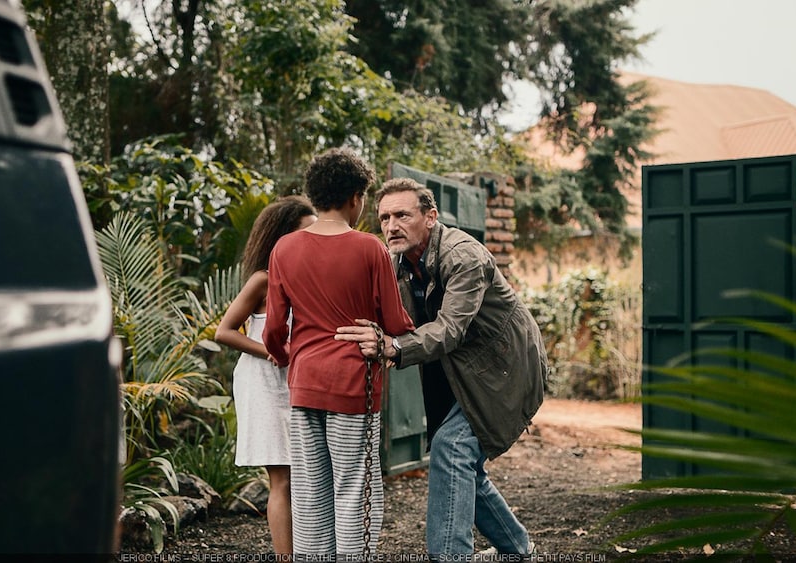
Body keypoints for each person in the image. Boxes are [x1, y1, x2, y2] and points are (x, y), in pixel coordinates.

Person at [334, 177, 548, 557]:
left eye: (402, 214)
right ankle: (518, 548)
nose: (391, 226)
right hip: (464, 372)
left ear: (430, 217)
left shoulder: (463, 256)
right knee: (462, 461)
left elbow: (450, 328)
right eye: (384, 218)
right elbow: (391, 315)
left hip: (506, 369)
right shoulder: (398, 262)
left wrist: (393, 346)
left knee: (453, 449)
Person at [263, 148, 415, 556]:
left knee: (311, 492)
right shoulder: (370, 249)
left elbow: (275, 329)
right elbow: (398, 324)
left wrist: (284, 357)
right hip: (353, 386)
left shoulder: (283, 250)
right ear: (354, 198)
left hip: (305, 386)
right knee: (355, 488)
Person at [214, 195, 317, 556]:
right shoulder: (262, 279)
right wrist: (273, 351)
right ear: (282, 236)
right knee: (283, 480)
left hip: (299, 383)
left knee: (307, 476)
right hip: (263, 384)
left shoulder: (311, 277)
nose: (315, 237)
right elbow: (224, 331)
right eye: (307, 231)